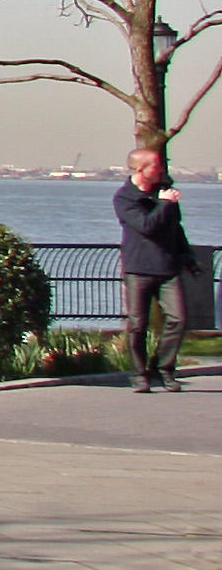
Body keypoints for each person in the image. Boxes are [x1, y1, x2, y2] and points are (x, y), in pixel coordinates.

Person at [114, 149, 196, 392]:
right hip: (139, 269)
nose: (161, 171)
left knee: (178, 319)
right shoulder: (124, 198)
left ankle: (163, 369)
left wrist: (187, 256)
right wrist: (164, 203)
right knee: (138, 324)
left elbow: (175, 227)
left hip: (168, 268)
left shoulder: (164, 192)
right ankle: (139, 375)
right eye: (157, 166)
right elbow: (146, 226)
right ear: (141, 169)